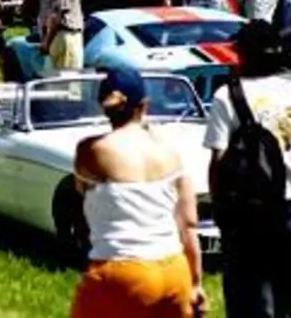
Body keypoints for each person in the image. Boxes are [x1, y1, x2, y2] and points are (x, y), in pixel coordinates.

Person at [204, 21, 291, 317]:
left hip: (245, 214)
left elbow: (217, 166)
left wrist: (220, 210)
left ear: (243, 55)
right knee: (284, 301)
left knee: (246, 303)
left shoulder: (227, 97)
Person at [70, 68, 205, 318]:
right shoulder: (169, 154)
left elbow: (81, 191)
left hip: (121, 269)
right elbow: (188, 226)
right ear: (144, 105)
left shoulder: (91, 150)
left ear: (104, 106)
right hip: (174, 268)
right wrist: (196, 283)